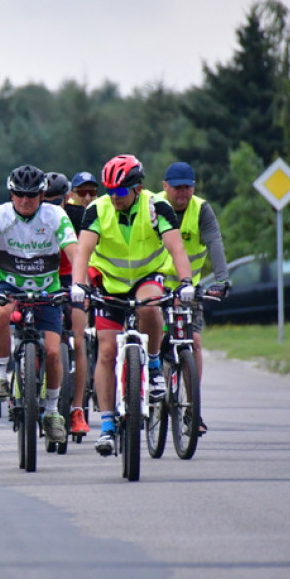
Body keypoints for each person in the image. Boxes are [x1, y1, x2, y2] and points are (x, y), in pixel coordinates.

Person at [70, 154, 194, 456]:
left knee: (149, 307)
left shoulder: (157, 207)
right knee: (107, 350)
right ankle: (109, 425)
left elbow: (176, 248)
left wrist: (187, 282)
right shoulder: (98, 209)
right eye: (109, 190)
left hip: (145, 277)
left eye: (121, 192)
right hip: (109, 283)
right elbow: (83, 252)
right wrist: (77, 285)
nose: (114, 197)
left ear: (137, 188)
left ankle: (152, 364)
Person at [0, 165, 79, 444]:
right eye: (18, 195)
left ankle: (52, 411)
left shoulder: (55, 215)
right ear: (10, 193)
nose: (24, 200)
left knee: (54, 352)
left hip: (47, 288)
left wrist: (80, 284)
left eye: (31, 196)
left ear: (42, 195)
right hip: (8, 284)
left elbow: (74, 249)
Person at [157, 161, 231, 434]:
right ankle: (147, 386)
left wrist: (222, 280)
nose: (182, 193)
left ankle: (192, 408)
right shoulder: (153, 207)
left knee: (194, 341)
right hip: (156, 285)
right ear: (165, 187)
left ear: (194, 187)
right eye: (176, 187)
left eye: (187, 187)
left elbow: (214, 243)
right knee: (152, 337)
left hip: (189, 289)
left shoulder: (201, 210)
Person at [49, 171, 92, 437]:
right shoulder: (35, 218)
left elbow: (85, 254)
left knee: (79, 340)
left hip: (69, 278)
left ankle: (77, 409)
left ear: (67, 198)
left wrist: (85, 286)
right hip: (41, 279)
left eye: (58, 201)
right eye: (47, 200)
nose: (52, 206)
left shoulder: (78, 218)